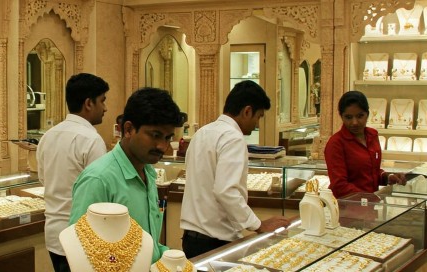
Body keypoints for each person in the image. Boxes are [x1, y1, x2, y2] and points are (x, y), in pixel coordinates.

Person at [69, 87, 184, 263]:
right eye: (155, 135)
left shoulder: (148, 173)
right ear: (129, 129)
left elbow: (149, 245)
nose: (162, 146)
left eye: (167, 138)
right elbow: (80, 255)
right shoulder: (99, 179)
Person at [180, 80, 290, 258]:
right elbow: (226, 191)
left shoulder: (203, 132)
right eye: (259, 117)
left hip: (192, 238)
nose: (257, 124)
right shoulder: (233, 138)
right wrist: (258, 225)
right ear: (247, 111)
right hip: (216, 241)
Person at [37, 73, 109, 272]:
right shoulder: (91, 140)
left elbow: (43, 179)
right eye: (102, 101)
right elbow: (99, 193)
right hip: (82, 238)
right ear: (88, 103)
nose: (105, 108)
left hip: (53, 234)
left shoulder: (48, 136)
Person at [325, 90, 406, 198]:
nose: (354, 122)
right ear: (341, 116)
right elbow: (339, 185)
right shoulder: (336, 143)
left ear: (367, 114)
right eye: (348, 117)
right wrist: (369, 198)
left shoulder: (372, 135)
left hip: (370, 208)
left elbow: (372, 171)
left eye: (360, 116)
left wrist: (388, 177)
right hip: (347, 208)